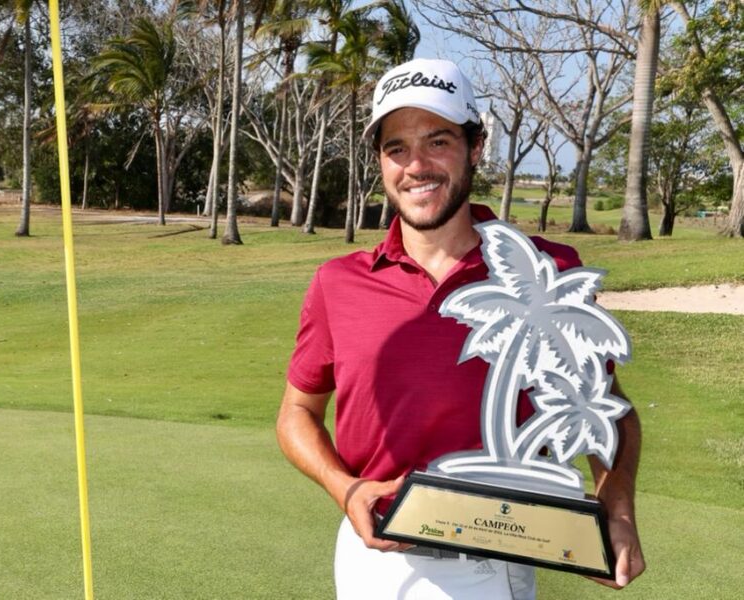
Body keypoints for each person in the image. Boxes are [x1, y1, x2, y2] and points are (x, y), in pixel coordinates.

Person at [276, 58, 645, 599]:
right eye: (396, 148)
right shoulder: (339, 282)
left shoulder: (548, 272)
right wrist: (345, 487)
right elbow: (296, 413)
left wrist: (617, 507)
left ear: (475, 148)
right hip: (369, 557)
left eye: (438, 141)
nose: (416, 165)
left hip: (490, 564)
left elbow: (605, 409)